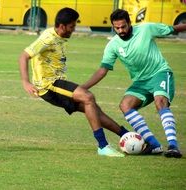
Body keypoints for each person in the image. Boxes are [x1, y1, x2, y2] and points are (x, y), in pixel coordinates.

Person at [18, 7, 129, 157]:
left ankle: (127, 136)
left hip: (57, 83)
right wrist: (26, 82)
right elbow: (24, 56)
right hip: (49, 86)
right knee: (88, 97)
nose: (74, 29)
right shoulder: (47, 38)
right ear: (62, 26)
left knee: (92, 109)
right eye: (72, 26)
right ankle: (103, 146)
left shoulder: (59, 36)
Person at [82, 9, 186, 158]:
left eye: (123, 26)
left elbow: (173, 29)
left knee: (160, 102)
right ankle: (154, 144)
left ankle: (173, 146)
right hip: (140, 82)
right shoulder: (113, 45)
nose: (121, 30)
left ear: (130, 23)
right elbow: (102, 70)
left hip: (160, 73)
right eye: (117, 28)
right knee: (125, 105)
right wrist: (82, 88)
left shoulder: (146, 29)